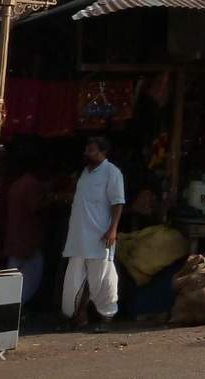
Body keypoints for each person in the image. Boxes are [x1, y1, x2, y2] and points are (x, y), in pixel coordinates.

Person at [61, 137, 125, 331]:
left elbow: (118, 202)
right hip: (79, 236)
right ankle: (75, 316)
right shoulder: (85, 173)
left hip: (100, 236)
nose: (87, 154)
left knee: (103, 278)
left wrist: (112, 229)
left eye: (92, 150)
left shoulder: (112, 172)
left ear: (103, 152)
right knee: (74, 279)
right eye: (87, 150)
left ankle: (107, 318)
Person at [5, 150, 47, 305]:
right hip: (27, 238)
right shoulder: (32, 184)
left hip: (15, 235)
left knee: (14, 273)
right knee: (29, 277)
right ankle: (15, 307)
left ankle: (11, 306)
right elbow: (35, 207)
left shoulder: (17, 184)